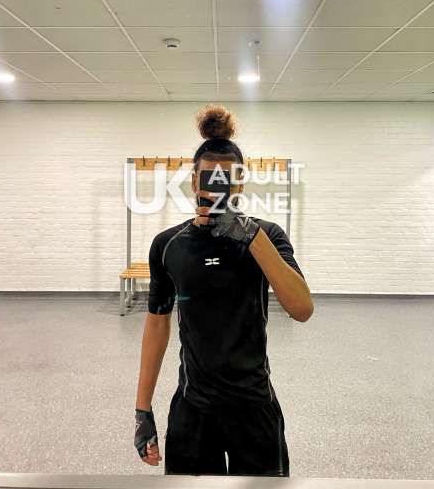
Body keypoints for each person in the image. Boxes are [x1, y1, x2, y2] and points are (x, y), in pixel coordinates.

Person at [134, 104, 313, 477]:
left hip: (254, 404)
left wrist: (248, 234)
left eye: (226, 181)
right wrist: (142, 409)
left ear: (240, 183)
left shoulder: (267, 235)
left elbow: (301, 308)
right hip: (193, 408)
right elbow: (156, 324)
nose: (216, 188)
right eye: (209, 179)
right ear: (194, 182)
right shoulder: (168, 245)